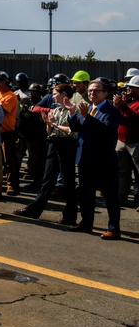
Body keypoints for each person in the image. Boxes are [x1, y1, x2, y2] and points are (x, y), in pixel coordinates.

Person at [15, 83, 80, 224]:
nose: (52, 96)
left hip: (67, 145)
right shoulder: (55, 110)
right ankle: (34, 210)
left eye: (55, 93)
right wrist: (49, 124)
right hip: (54, 143)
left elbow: (71, 131)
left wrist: (54, 124)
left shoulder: (73, 109)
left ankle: (70, 215)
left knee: (68, 181)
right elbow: (49, 131)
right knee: (47, 180)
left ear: (64, 94)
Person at [68, 80, 122, 239]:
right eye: (90, 91)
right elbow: (77, 128)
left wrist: (86, 117)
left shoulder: (112, 111)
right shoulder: (89, 108)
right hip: (86, 158)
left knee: (109, 195)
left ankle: (114, 228)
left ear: (105, 93)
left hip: (103, 159)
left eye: (96, 91)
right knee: (85, 193)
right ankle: (86, 222)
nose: (92, 93)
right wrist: (72, 113)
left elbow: (106, 129)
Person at [113, 75, 139, 208]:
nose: (128, 89)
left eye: (132, 87)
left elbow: (135, 118)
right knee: (123, 172)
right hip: (121, 141)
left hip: (136, 143)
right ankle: (121, 198)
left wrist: (122, 107)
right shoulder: (126, 101)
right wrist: (118, 106)